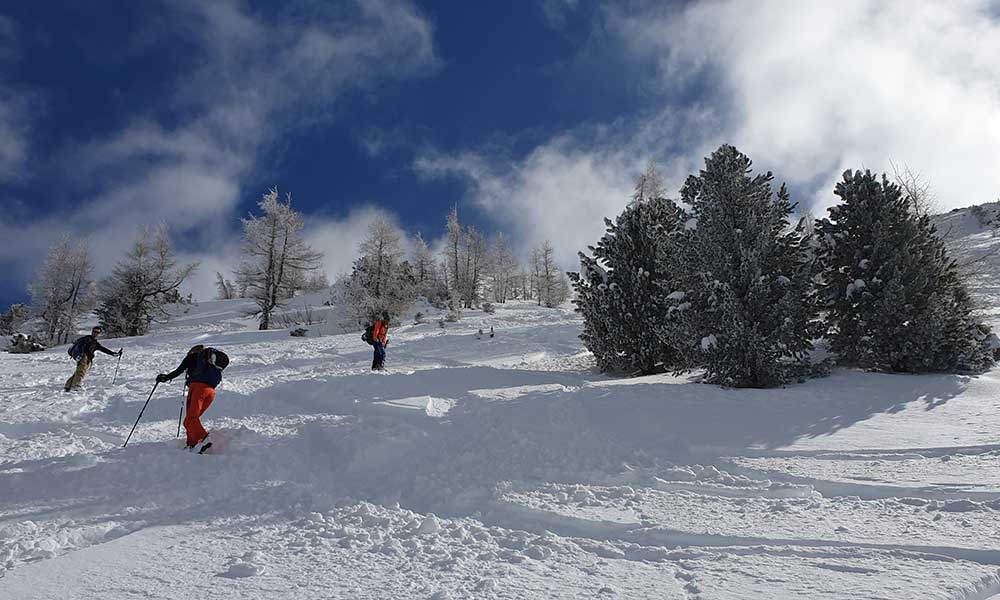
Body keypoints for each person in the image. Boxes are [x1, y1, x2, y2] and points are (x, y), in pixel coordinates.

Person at [156, 345, 229, 450]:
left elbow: (178, 371)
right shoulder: (209, 364)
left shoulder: (193, 356)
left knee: (191, 418)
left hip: (198, 389)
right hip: (210, 392)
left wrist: (165, 378)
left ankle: (204, 438)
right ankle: (192, 444)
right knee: (189, 420)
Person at [65, 326, 122, 391]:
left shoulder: (95, 343)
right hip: (83, 357)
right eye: (94, 331)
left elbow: (103, 349)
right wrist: (82, 354)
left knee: (79, 371)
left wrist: (113, 354)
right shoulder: (87, 338)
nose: (95, 333)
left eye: (97, 332)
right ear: (92, 331)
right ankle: (76, 386)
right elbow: (82, 347)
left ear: (99, 333)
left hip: (87, 359)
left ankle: (68, 385)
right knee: (81, 371)